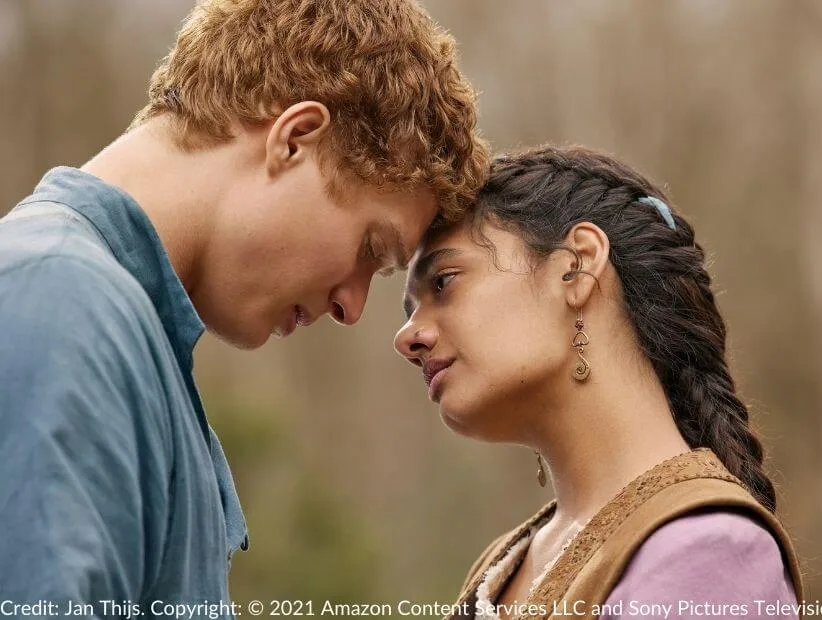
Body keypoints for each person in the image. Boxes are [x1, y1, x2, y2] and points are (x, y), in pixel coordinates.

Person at [0, 0, 487, 611]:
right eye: (370, 248)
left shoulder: (120, 331)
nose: (353, 307)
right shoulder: (57, 304)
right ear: (295, 140)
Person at [394, 147, 803, 620]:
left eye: (443, 282)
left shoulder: (708, 549)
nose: (408, 337)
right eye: (410, 312)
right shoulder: (502, 566)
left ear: (577, 266)